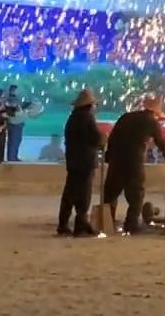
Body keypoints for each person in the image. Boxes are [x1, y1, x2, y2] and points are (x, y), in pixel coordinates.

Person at [103, 95, 165, 234]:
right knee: (136, 196)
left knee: (110, 194)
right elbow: (161, 143)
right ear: (155, 112)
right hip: (134, 162)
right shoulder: (151, 122)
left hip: (116, 160)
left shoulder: (126, 117)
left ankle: (107, 222)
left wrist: (109, 156)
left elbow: (112, 137)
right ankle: (131, 225)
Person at [58, 90, 103, 236]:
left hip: (73, 160)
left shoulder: (73, 117)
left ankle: (64, 224)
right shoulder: (87, 118)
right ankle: (81, 224)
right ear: (89, 105)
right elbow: (95, 139)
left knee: (70, 193)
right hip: (85, 161)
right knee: (84, 194)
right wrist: (103, 138)